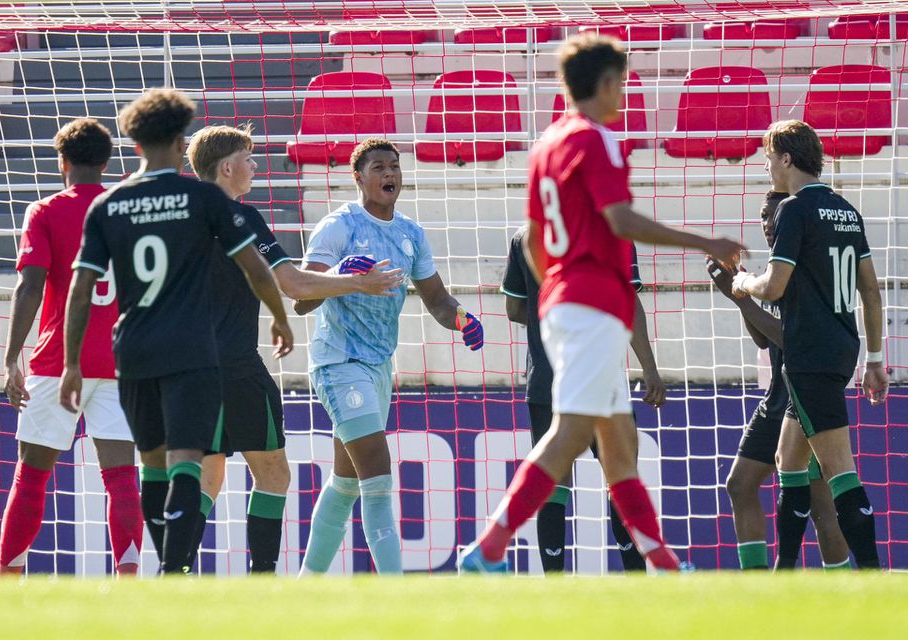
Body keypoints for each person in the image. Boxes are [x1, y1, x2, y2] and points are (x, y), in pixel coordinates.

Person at [460, 33, 744, 573]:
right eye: (624, 83)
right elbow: (621, 220)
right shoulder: (599, 141)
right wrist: (706, 242)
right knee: (569, 434)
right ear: (609, 83)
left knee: (619, 445)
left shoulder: (547, 146)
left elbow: (533, 241)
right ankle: (490, 548)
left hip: (571, 304)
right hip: (593, 305)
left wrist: (560, 289)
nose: (626, 95)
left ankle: (659, 559)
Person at [59, 89, 295, 576]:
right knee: (190, 460)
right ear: (178, 138)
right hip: (191, 350)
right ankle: (173, 567)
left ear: (135, 144)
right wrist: (278, 313)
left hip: (134, 350)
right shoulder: (202, 198)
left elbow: (80, 290)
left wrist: (72, 363)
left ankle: (172, 568)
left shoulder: (109, 204)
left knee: (153, 463)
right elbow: (255, 267)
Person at [184, 124, 403, 573]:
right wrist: (359, 281)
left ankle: (175, 573)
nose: (254, 166)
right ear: (227, 168)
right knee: (274, 476)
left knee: (206, 479)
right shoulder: (240, 217)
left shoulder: (179, 221)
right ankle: (263, 580)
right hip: (236, 366)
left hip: (188, 371)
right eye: (247, 158)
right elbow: (295, 284)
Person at [294, 137, 484, 576]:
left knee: (345, 483)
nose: (389, 174)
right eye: (378, 167)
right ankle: (396, 591)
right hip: (339, 363)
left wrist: (461, 320)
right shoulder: (338, 227)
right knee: (378, 476)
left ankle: (305, 587)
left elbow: (437, 300)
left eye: (394, 167)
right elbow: (303, 299)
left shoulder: (410, 234)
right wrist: (343, 276)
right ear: (357, 177)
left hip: (379, 368)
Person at [731, 119, 888, 569]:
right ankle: (785, 573)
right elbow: (871, 291)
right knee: (788, 458)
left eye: (767, 158)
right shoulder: (845, 210)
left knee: (840, 470)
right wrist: (875, 359)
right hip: (842, 347)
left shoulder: (794, 210)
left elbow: (776, 286)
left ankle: (874, 580)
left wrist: (743, 282)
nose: (766, 168)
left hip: (810, 352)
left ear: (785, 158)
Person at [0, 118, 142, 577]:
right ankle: (130, 582)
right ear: (106, 163)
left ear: (62, 161)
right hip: (120, 362)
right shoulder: (127, 211)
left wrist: (10, 359)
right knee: (120, 478)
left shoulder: (44, 210)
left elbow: (30, 286)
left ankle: (8, 580)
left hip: (59, 362)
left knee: (33, 475)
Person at [503, 233, 665, 572]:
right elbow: (628, 304)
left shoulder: (526, 236)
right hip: (600, 379)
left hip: (548, 379)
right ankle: (637, 580)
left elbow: (515, 308)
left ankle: (553, 584)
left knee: (550, 481)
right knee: (621, 477)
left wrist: (548, 319)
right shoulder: (615, 231)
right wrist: (649, 368)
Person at [708, 190, 850, 570]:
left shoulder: (800, 268)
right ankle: (757, 587)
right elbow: (762, 336)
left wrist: (741, 297)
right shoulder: (773, 268)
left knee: (822, 506)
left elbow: (793, 338)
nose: (768, 224)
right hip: (777, 399)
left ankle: (843, 588)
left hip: (805, 396)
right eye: (762, 217)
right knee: (740, 485)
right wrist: (735, 289)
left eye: (774, 217)